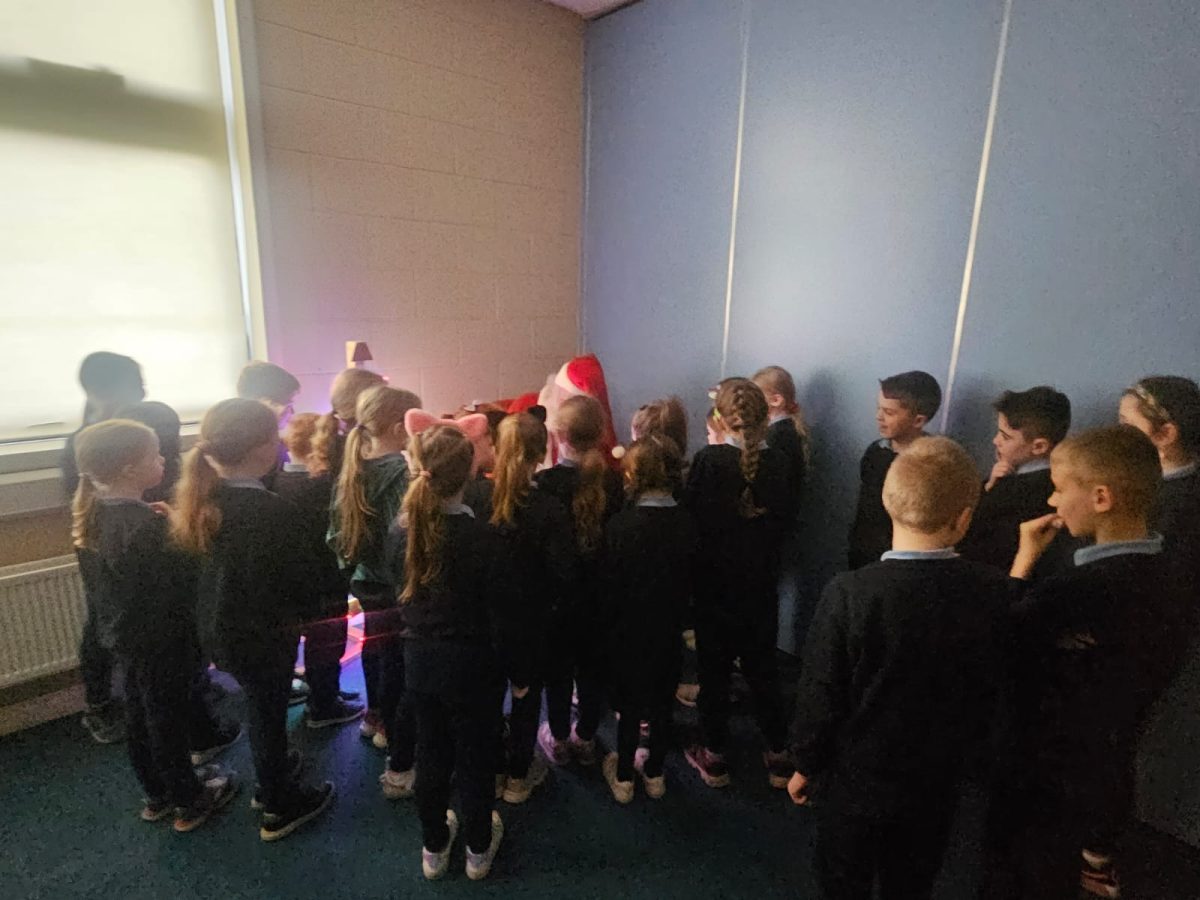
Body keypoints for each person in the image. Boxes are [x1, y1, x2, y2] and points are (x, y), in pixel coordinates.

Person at [788, 437, 1007, 899]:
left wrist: (806, 762)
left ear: (887, 502)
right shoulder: (991, 591)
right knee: (912, 881)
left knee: (843, 879)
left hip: (855, 780)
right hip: (936, 781)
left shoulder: (850, 593)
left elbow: (821, 690)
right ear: (964, 518)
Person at [984, 426, 1194, 900]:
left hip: (1036, 771)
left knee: (1015, 874)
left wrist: (1023, 561)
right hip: (1105, 762)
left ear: (1101, 497)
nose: (1052, 501)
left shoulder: (1078, 589)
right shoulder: (1171, 577)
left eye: (1059, 488)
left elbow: (999, 641)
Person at [171, 399, 334, 841]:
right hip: (265, 635)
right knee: (267, 714)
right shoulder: (273, 511)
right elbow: (303, 579)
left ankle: (273, 773)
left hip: (221, 631)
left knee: (261, 707)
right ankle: (278, 803)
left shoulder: (200, 502)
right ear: (264, 447)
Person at [72, 419, 239, 831]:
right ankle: (189, 799)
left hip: (125, 637)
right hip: (166, 639)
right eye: (154, 455)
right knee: (167, 719)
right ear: (130, 468)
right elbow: (187, 581)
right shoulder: (148, 528)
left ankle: (157, 793)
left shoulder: (94, 518)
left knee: (139, 715)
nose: (163, 460)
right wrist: (177, 528)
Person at [393, 425, 508, 881]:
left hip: (420, 663)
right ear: (471, 472)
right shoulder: (484, 537)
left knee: (431, 752)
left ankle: (434, 845)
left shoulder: (399, 532)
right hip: (474, 667)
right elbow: (499, 610)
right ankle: (478, 848)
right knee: (476, 758)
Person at [683, 378, 792, 790]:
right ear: (765, 419)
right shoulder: (780, 462)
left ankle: (714, 755)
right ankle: (779, 753)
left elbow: (693, 522)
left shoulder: (709, 461)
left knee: (713, 673)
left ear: (719, 419)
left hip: (714, 589)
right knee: (763, 669)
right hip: (761, 585)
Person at [328, 385, 422, 792]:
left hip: (365, 581)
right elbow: (410, 535)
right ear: (401, 428)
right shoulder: (402, 472)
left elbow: (335, 537)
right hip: (396, 584)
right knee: (399, 663)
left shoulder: (354, 467)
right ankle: (397, 744)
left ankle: (375, 716)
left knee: (375, 647)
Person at [602, 435, 697, 804]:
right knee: (662, 705)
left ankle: (624, 775)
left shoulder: (621, 525)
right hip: (669, 630)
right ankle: (655, 773)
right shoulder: (687, 523)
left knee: (629, 708)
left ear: (632, 476)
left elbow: (611, 586)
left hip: (628, 632)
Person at [487, 410, 575, 805]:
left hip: (486, 623)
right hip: (531, 626)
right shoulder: (550, 509)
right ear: (542, 454)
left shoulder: (477, 499)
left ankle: (492, 771)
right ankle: (518, 777)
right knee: (525, 699)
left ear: (496, 449)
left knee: (489, 698)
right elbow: (563, 573)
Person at [535, 395, 624, 767]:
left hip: (556, 599)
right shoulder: (615, 482)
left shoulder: (543, 484)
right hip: (601, 597)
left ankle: (558, 737)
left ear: (559, 434)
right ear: (601, 433)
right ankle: (585, 737)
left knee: (556, 673)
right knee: (593, 670)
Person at [63, 352, 146, 744]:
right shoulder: (89, 439)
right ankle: (99, 704)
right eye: (136, 383)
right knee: (103, 619)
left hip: (127, 533)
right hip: (104, 539)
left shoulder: (132, 430)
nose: (143, 391)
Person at [274, 413, 363, 728]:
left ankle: (325, 691)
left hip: (293, 578)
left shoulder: (278, 482)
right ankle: (324, 705)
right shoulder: (323, 487)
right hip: (325, 577)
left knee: (314, 641)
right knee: (327, 642)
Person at [959, 386, 1074, 576]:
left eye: (1005, 437)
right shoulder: (1048, 480)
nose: (996, 441)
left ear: (1039, 447)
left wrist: (991, 489)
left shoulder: (1020, 491)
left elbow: (967, 534)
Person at [847, 371, 941, 569]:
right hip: (864, 553)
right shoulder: (875, 452)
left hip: (901, 560)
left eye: (889, 413)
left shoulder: (930, 461)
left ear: (918, 421)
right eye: (879, 409)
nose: (878, 417)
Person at [752, 365, 811, 513]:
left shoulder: (778, 435)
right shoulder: (787, 430)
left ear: (776, 400)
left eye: (756, 397)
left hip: (774, 514)